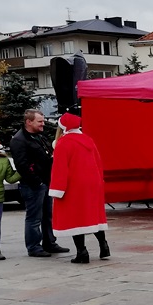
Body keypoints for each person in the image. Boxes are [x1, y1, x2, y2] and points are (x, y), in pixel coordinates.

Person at [49, 113, 109, 264]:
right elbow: (98, 163)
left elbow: (60, 169)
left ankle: (82, 252)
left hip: (74, 185)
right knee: (93, 215)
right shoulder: (88, 140)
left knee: (75, 217)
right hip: (92, 182)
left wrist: (57, 189)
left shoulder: (63, 143)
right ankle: (104, 245)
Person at [10, 109, 69, 257]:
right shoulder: (19, 140)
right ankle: (34, 247)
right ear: (29, 122)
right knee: (34, 217)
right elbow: (22, 165)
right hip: (33, 186)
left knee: (47, 215)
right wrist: (37, 182)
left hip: (46, 182)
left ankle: (49, 243)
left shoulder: (39, 136)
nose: (43, 124)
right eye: (40, 121)